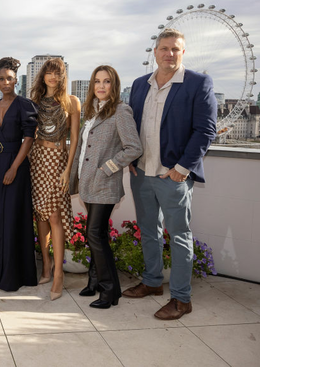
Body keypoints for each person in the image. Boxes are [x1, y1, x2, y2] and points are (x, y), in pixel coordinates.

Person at [123, 28, 217, 320]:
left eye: (175, 49)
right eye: (164, 48)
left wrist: (181, 169)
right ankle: (152, 283)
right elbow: (132, 124)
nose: (169, 54)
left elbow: (206, 130)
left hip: (172, 175)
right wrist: (131, 157)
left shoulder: (198, 83)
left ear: (183, 52)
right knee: (149, 231)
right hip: (142, 172)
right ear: (155, 52)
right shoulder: (140, 84)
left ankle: (181, 298)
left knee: (178, 236)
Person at [69, 65, 142, 309]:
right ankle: (94, 282)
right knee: (96, 235)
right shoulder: (91, 112)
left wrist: (107, 168)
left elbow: (134, 147)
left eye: (106, 81)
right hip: (88, 184)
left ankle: (111, 291)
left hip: (104, 184)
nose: (101, 86)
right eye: (97, 81)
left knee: (94, 234)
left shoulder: (121, 111)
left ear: (114, 85)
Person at [0, 57, 38, 292]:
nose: (5, 82)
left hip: (16, 165)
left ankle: (13, 273)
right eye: (1, 79)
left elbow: (29, 139)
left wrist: (13, 167)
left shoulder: (26, 105)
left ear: (16, 81)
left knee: (13, 216)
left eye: (9, 79)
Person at [28, 58, 81, 301]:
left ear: (62, 77)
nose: (52, 76)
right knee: (40, 213)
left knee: (55, 215)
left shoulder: (71, 102)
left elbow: (74, 139)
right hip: (37, 159)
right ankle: (46, 265)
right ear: (43, 76)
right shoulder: (35, 102)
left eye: (56, 73)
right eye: (48, 72)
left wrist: (67, 171)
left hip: (57, 161)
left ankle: (59, 274)